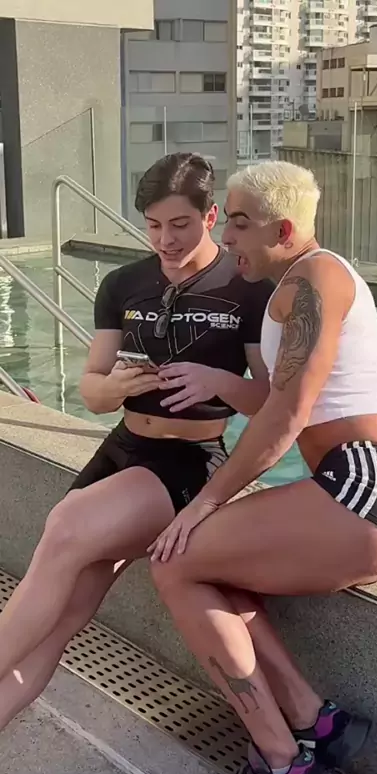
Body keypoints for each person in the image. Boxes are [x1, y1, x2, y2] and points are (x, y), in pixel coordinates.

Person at [148, 160, 377, 774]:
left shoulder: (315, 278)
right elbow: (285, 400)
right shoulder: (296, 283)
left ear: (282, 230)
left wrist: (206, 501)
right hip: (356, 489)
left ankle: (283, 764)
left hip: (365, 489)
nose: (227, 237)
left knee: (175, 561)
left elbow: (288, 415)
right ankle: (315, 721)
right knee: (213, 568)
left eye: (238, 223)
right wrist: (219, 383)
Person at [0, 153, 274, 732]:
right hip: (123, 449)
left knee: (65, 528)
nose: (165, 239)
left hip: (188, 461)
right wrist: (117, 386)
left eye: (180, 224)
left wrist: (219, 382)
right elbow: (92, 391)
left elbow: (272, 403)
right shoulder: (124, 284)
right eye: (153, 225)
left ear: (210, 216)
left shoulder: (248, 288)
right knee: (62, 615)